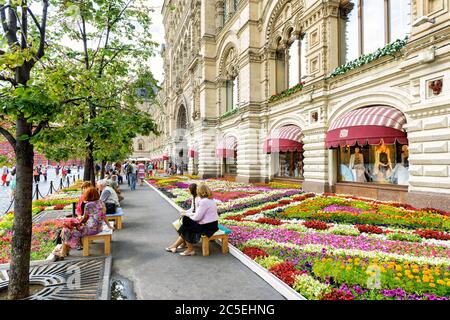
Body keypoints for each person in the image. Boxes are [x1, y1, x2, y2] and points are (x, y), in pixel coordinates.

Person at [53, 187, 113, 258]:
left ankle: (63, 252)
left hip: (91, 230)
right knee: (68, 229)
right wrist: (109, 225)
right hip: (99, 228)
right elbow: (104, 216)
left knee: (65, 230)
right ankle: (64, 250)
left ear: (88, 195)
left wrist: (77, 223)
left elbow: (85, 219)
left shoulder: (88, 205)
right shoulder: (101, 203)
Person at [166, 184, 218, 256]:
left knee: (186, 225)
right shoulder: (210, 200)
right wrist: (188, 215)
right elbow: (197, 215)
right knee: (186, 223)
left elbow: (197, 217)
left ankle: (188, 249)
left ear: (200, 191)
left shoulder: (203, 202)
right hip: (212, 224)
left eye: (197, 190)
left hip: (208, 227)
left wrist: (187, 215)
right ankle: (178, 246)